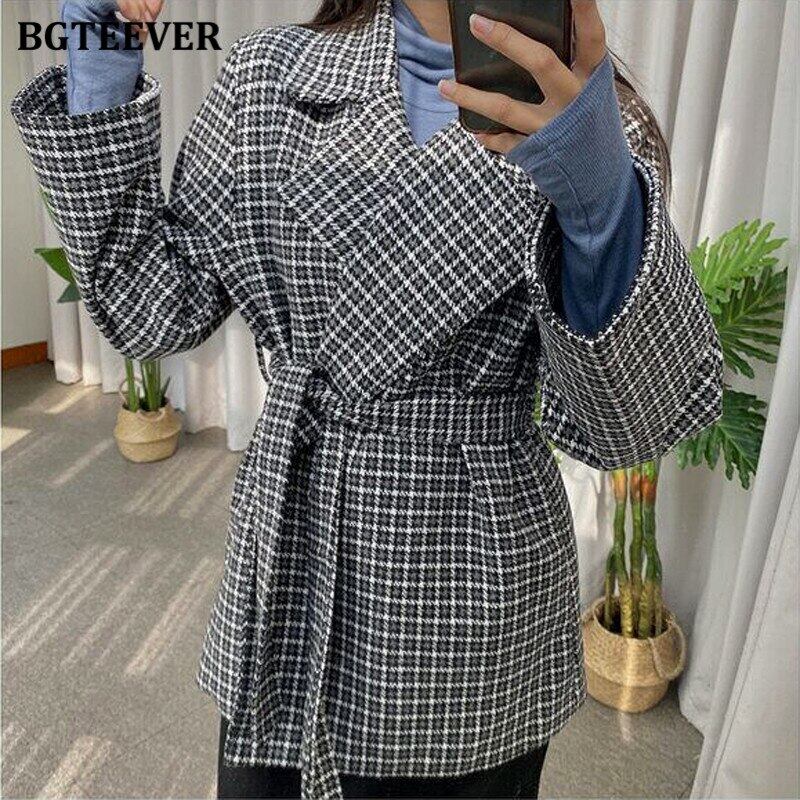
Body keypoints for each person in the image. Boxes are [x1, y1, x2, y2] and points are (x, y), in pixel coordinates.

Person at [11, 0, 723, 798]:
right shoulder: (266, 76)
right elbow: (148, 307)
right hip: (292, 564)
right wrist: (101, 44)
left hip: (471, 587)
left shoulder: (587, 108)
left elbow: (629, 424)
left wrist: (596, 191)